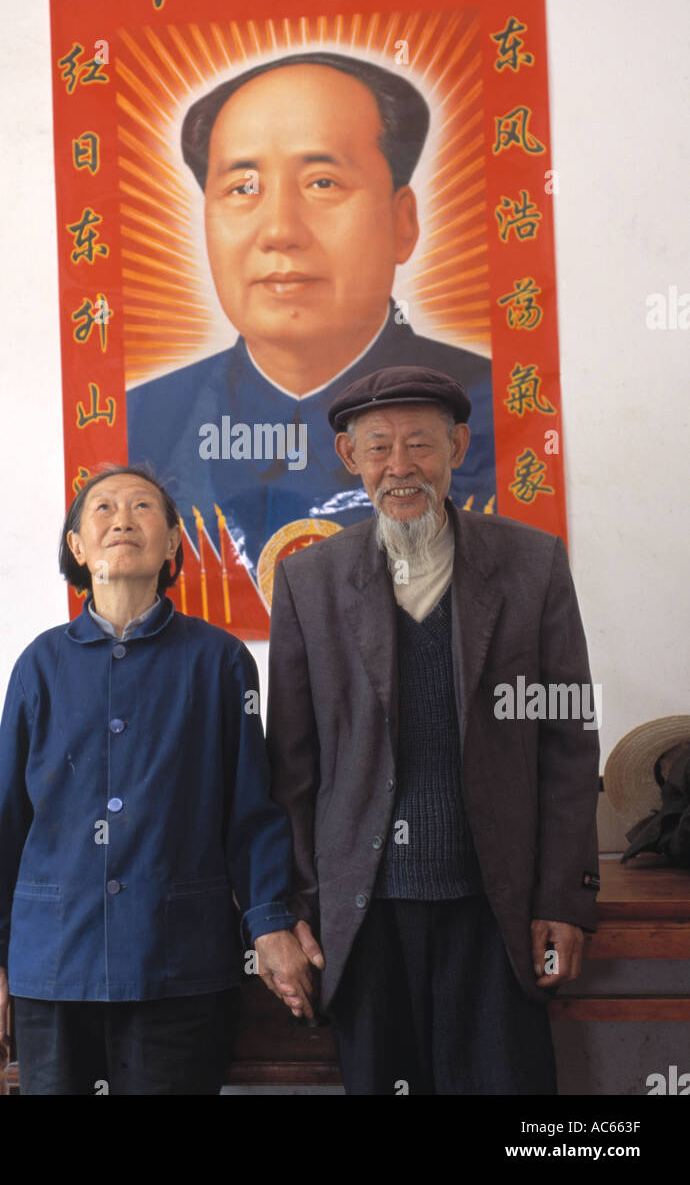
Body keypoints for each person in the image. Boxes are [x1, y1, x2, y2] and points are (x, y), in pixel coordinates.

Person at [265, 366, 600, 1095]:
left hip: (496, 908)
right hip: (366, 914)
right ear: (351, 461)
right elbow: (292, 769)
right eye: (378, 447)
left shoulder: (531, 565)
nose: (400, 466)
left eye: (420, 444)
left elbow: (565, 746)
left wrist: (563, 900)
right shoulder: (310, 583)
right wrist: (293, 912)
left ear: (458, 446)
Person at [0, 466, 314, 1095]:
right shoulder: (40, 665)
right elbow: (4, 821)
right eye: (104, 509)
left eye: (144, 507)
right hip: (55, 964)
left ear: (174, 543)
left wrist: (270, 921)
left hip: (176, 963)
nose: (122, 519)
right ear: (78, 547)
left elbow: (251, 813)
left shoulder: (220, 662)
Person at [127, 51, 495, 579]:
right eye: (242, 188)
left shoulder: (486, 403)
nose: (279, 230)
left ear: (403, 222)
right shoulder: (149, 419)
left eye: (322, 183)